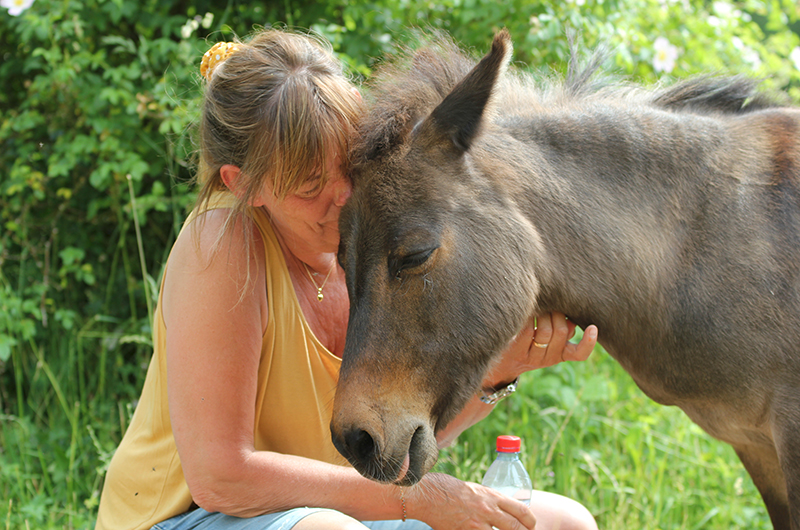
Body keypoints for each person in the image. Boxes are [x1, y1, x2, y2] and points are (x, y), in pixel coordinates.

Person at [95, 27, 600, 530]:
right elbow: (221, 477)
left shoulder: (363, 242)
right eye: (311, 184)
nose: (341, 194)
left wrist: (497, 373)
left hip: (331, 515)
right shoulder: (222, 243)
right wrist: (421, 503)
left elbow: (389, 450)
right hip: (189, 517)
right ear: (244, 185)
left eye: (347, 165)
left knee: (565, 522)